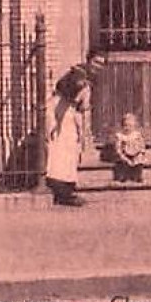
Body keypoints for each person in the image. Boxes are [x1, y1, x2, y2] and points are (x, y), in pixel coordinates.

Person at [46, 69, 90, 207]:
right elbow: (51, 117)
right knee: (60, 162)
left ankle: (68, 190)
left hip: (69, 133)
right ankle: (62, 193)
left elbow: (82, 109)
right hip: (60, 134)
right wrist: (51, 128)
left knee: (69, 161)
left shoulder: (71, 103)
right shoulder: (56, 101)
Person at [113, 113, 146, 185]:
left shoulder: (137, 135)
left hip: (135, 155)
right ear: (122, 126)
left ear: (134, 126)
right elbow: (118, 150)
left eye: (130, 126)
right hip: (124, 155)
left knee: (139, 162)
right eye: (125, 125)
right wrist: (125, 159)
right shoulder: (120, 136)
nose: (127, 128)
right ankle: (121, 178)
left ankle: (137, 178)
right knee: (121, 163)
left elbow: (142, 147)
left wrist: (139, 154)